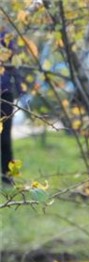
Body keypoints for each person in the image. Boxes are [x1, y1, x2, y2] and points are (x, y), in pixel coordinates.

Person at [2, 26, 22, 187]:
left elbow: (14, 64)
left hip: (5, 94)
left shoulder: (6, 35)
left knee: (5, 138)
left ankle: (7, 176)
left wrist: (20, 89)